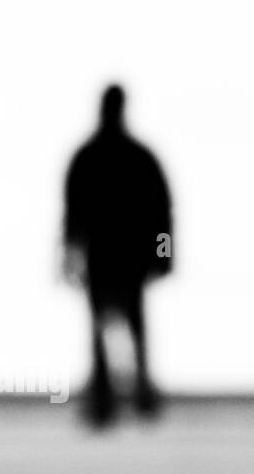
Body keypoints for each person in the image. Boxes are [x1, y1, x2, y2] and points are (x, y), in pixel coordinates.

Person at [63, 85, 173, 426]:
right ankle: (128, 398)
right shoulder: (137, 156)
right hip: (127, 257)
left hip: (110, 256)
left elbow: (73, 216)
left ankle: (110, 400)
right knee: (130, 326)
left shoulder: (90, 155)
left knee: (105, 327)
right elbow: (162, 215)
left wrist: (70, 255)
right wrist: (164, 254)